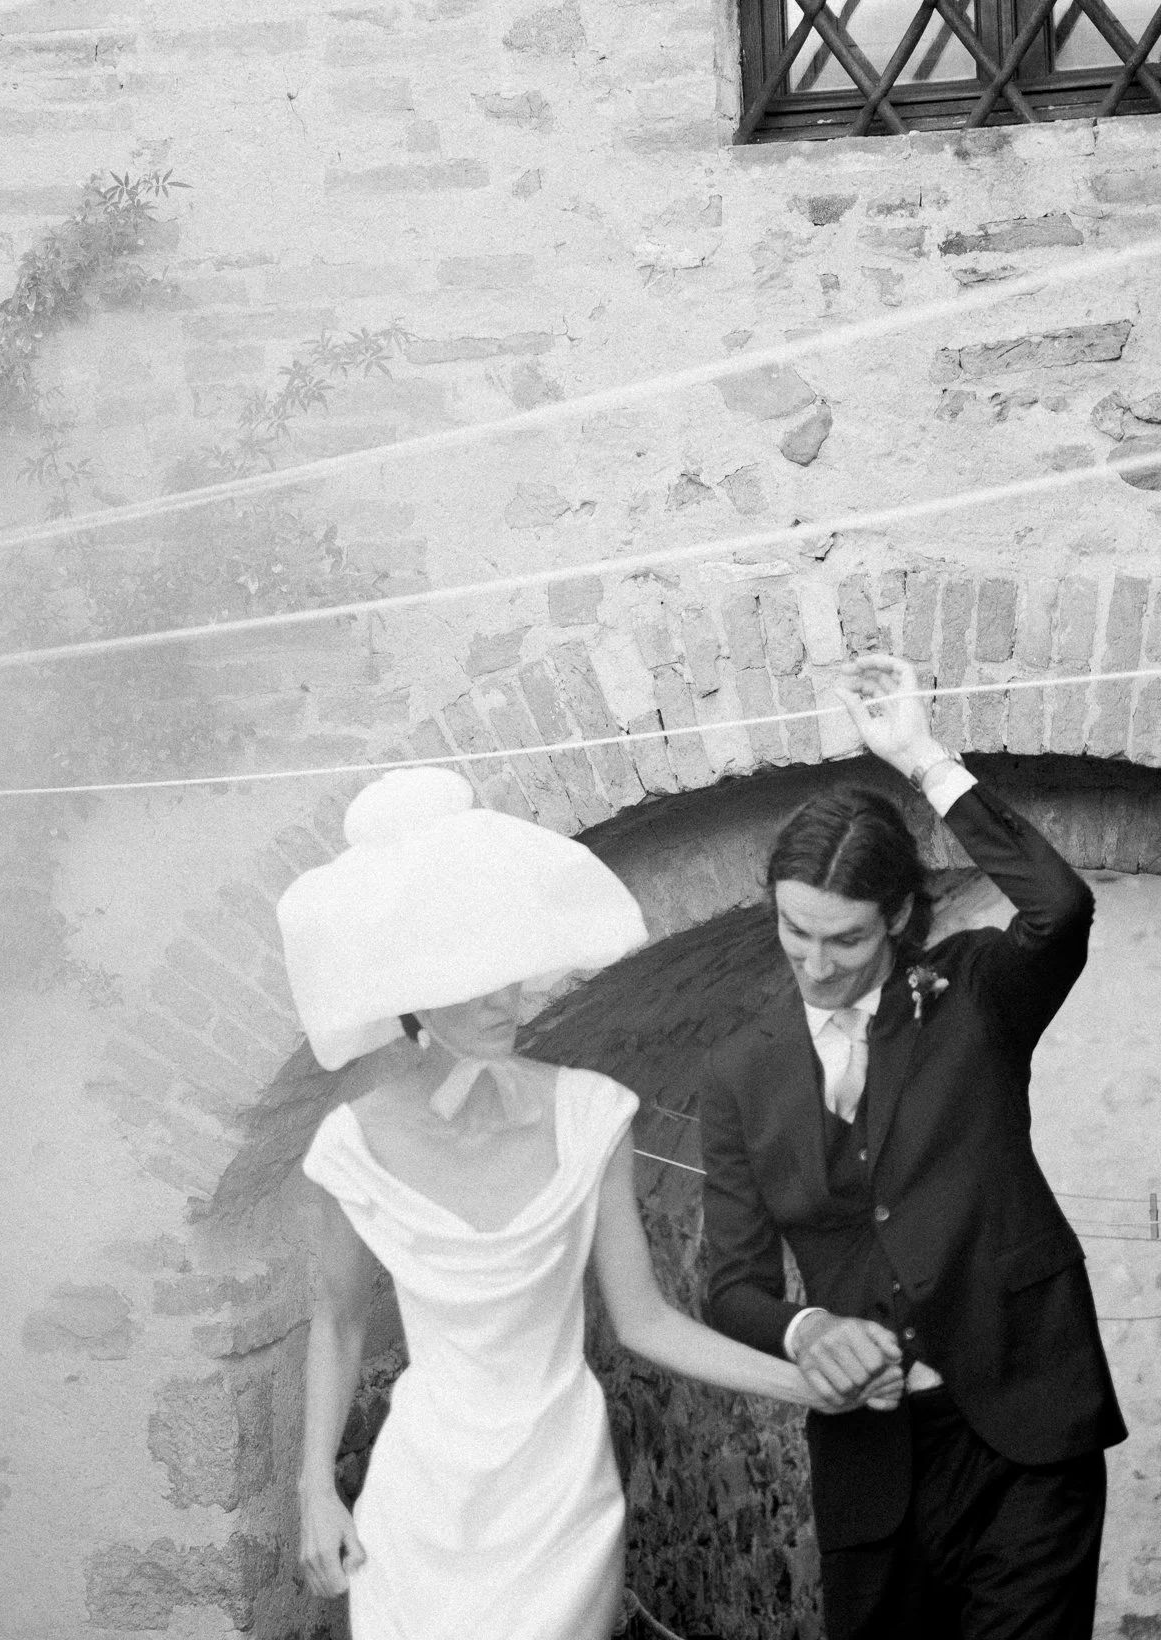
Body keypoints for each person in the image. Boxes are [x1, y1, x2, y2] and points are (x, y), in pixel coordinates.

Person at [278, 764, 896, 1640]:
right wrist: (316, 1492)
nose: (510, 997)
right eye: (472, 977)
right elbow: (335, 1324)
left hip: (558, 1503)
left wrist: (805, 1387)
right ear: (407, 988)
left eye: (511, 967)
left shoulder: (590, 1112)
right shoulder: (346, 1148)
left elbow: (644, 1321)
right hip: (421, 1508)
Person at [700, 653, 1127, 1640]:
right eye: (794, 933)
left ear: (897, 916)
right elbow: (731, 1285)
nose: (816, 964)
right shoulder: (737, 1073)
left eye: (844, 940)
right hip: (869, 1461)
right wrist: (805, 1333)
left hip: (1026, 1429)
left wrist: (925, 760)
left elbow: (1060, 908)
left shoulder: (973, 995)